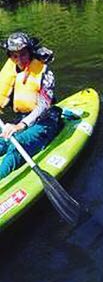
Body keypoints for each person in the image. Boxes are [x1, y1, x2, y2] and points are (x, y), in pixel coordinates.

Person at [0, 32, 62, 179]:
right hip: (21, 120)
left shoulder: (45, 73)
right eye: (14, 55)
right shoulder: (11, 72)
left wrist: (21, 126)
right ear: (10, 56)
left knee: (16, 146)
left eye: (23, 54)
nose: (19, 59)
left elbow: (43, 105)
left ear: (30, 51)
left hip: (46, 122)